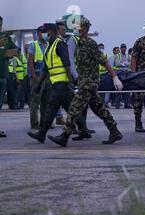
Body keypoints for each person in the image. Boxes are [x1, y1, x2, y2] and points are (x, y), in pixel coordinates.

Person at [47, 17, 124, 147]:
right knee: (98, 108)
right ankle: (114, 131)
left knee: (74, 108)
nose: (77, 28)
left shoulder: (90, 43)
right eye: (76, 26)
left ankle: (64, 136)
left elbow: (104, 61)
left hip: (89, 82)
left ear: (86, 28)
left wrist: (115, 77)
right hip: (84, 81)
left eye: (79, 26)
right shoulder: (80, 43)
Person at [27, 23, 75, 143]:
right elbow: (46, 69)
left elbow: (67, 64)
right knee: (71, 109)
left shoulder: (60, 44)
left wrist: (69, 82)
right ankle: (83, 129)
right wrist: (38, 83)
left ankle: (43, 134)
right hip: (55, 83)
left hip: (62, 84)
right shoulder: (50, 46)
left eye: (45, 31)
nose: (43, 34)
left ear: (52, 31)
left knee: (51, 109)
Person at [0, 16, 18, 137]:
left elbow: (15, 50)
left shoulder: (5, 38)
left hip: (2, 74)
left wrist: (6, 53)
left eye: (0, 24)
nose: (0, 27)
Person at [28, 26, 48, 130]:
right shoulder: (33, 45)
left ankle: (44, 123)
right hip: (37, 77)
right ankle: (34, 124)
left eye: (45, 32)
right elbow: (30, 62)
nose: (44, 34)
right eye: (42, 32)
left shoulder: (48, 45)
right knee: (35, 102)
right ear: (38, 33)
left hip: (47, 78)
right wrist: (35, 78)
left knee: (46, 101)